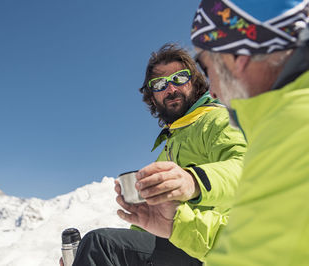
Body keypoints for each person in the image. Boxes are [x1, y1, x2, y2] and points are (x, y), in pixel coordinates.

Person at [67, 43, 247, 265]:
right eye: (160, 84)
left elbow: (244, 168)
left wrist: (193, 180)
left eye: (179, 78)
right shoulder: (170, 146)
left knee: (100, 244)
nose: (171, 88)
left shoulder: (217, 119)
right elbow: (149, 222)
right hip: (181, 239)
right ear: (152, 97)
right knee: (98, 249)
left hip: (218, 241)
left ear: (195, 82)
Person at [190, 0, 309, 265]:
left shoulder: (290, 131)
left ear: (236, 57)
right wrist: (176, 225)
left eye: (207, 67)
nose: (210, 91)